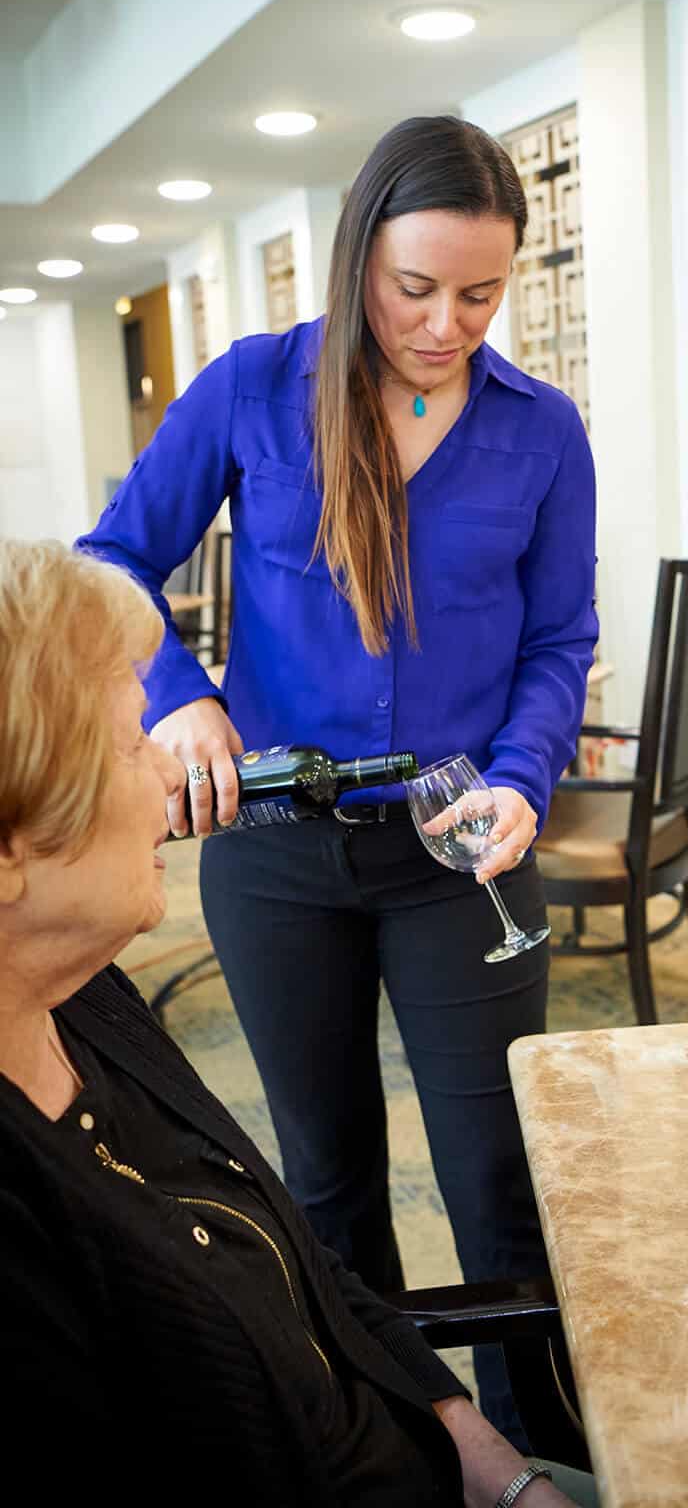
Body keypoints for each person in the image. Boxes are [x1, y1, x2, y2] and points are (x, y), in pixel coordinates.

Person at [75, 115, 598, 1445]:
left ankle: (533, 1455)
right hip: (276, 854)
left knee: (500, 1177)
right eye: (413, 287)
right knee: (321, 1180)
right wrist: (178, 696)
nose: (444, 324)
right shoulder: (256, 389)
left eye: (479, 293)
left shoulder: (541, 433)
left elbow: (554, 642)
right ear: (357, 255)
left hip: (459, 846)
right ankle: (377, 1447)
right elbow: (114, 560)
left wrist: (528, 775)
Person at [0, 538, 598, 1505]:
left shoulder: (93, 1003)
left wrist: (509, 1480)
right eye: (128, 739)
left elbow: (308, 1273)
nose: (171, 773)